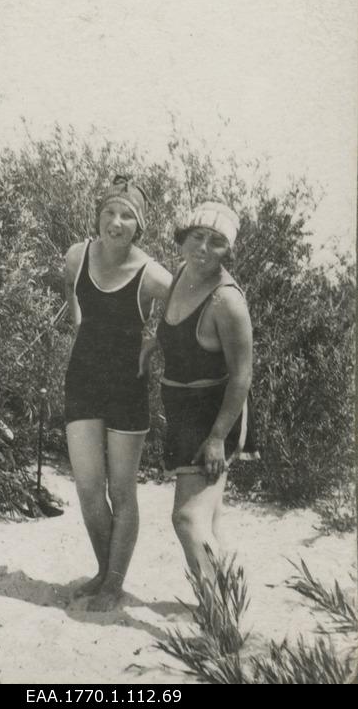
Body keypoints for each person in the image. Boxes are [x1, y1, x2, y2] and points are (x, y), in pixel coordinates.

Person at [64, 175, 171, 612]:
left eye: (127, 215)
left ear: (139, 226)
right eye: (109, 211)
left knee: (122, 490)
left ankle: (114, 583)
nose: (115, 221)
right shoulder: (77, 255)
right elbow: (72, 298)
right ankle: (104, 572)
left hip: (128, 386)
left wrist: (156, 340)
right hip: (83, 381)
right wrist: (79, 330)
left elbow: (191, 303)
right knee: (89, 488)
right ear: (98, 216)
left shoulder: (151, 274)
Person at [156, 201, 259, 580]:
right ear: (182, 238)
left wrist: (217, 438)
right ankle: (229, 601)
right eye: (197, 237)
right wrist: (154, 343)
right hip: (184, 409)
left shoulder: (227, 301)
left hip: (216, 414)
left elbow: (241, 377)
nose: (203, 248)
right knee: (209, 518)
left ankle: (216, 613)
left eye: (215, 242)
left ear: (227, 250)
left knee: (186, 517)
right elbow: (178, 331)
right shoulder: (183, 273)